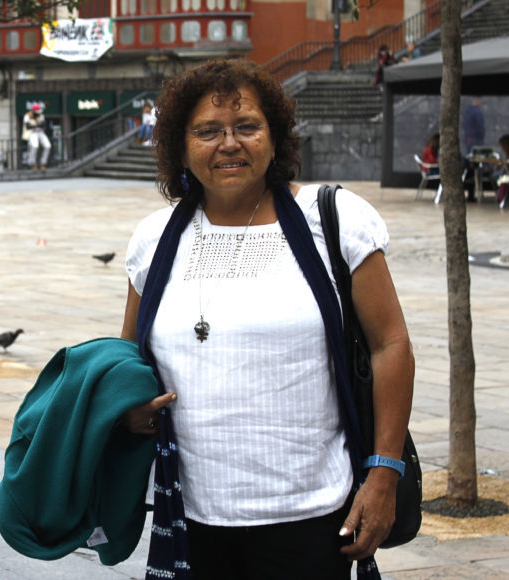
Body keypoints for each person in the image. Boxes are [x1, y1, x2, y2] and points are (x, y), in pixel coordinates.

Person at [120, 59, 414, 578]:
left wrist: (384, 474)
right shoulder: (154, 239)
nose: (228, 143)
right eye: (207, 131)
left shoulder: (338, 221)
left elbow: (391, 345)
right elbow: (126, 364)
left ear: (275, 140)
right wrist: (127, 410)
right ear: (179, 146)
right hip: (189, 517)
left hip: (312, 518)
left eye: (247, 127)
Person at [22, 103, 51, 171]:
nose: (38, 113)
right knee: (35, 146)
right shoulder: (27, 116)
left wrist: (37, 124)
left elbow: (44, 124)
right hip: (32, 133)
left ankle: (43, 163)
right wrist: (37, 124)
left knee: (48, 146)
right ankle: (32, 163)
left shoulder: (41, 116)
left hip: (40, 132)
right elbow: (28, 126)